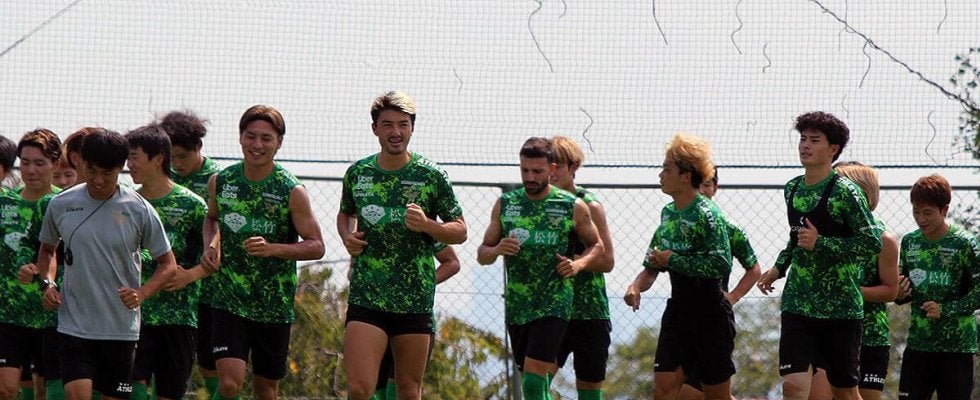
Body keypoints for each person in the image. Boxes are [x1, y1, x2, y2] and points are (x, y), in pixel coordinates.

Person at [338, 91, 467, 400]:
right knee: (359, 389)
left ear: (412, 128)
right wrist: (347, 237)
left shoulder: (432, 175)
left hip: (414, 301)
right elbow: (346, 214)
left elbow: (460, 231)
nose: (395, 132)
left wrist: (428, 225)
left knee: (408, 391)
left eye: (402, 124)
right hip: (368, 296)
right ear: (375, 129)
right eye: (387, 125)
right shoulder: (358, 173)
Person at [33, 128, 178, 400]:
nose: (98, 180)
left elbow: (168, 264)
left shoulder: (139, 208)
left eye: (107, 173)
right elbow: (47, 251)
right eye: (92, 170)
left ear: (121, 168)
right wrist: (47, 284)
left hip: (120, 330)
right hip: (74, 325)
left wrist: (142, 293)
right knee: (77, 394)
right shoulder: (61, 204)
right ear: (81, 163)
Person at [756, 112, 881, 400]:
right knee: (793, 387)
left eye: (814, 140)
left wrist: (821, 243)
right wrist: (779, 268)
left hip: (840, 310)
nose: (805, 145)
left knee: (845, 393)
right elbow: (796, 236)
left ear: (833, 149)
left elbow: (871, 242)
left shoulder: (847, 192)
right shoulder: (793, 188)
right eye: (802, 139)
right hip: (798, 304)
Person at [204, 105, 325, 400]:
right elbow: (212, 219)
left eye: (266, 138)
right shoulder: (222, 181)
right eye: (251, 136)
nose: (257, 145)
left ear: (279, 142)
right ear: (240, 137)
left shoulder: (291, 190)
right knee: (229, 383)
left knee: (266, 390)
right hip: (229, 300)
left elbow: (316, 245)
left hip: (273, 305)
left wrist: (273, 249)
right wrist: (211, 245)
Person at [477, 137, 604, 400]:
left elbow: (597, 246)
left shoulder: (571, 206)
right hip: (519, 306)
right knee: (532, 386)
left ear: (551, 169)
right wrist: (497, 249)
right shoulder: (506, 204)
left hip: (554, 303)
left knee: (534, 382)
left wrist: (578, 264)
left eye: (537, 171)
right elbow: (482, 254)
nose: (530, 177)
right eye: (525, 170)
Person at [622, 133, 734, 400]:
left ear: (686, 176)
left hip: (710, 315)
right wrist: (635, 286)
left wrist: (674, 260)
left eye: (666, 169)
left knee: (716, 395)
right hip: (678, 313)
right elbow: (652, 265)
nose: (660, 175)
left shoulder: (708, 215)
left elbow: (721, 264)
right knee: (662, 389)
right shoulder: (668, 214)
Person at [125, 125, 208, 400]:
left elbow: (216, 256)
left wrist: (191, 275)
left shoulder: (192, 205)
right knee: (129, 388)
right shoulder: (127, 203)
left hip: (178, 319)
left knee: (169, 393)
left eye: (134, 157)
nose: (129, 164)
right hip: (133, 317)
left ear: (158, 158)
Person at [807, 162, 899, 400]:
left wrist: (851, 290)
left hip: (870, 336)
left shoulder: (883, 239)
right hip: (828, 330)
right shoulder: (824, 236)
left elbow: (890, 290)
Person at [675, 166, 762, 400]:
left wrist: (732, 297)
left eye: (707, 184)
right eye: (697, 184)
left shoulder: (728, 228)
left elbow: (754, 269)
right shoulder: (675, 224)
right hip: (681, 316)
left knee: (693, 393)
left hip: (714, 318)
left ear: (715, 188)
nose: (701, 190)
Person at [893, 174, 980, 400]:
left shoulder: (965, 243)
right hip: (918, 345)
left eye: (927, 212)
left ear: (944, 210)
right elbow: (903, 289)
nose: (920, 219)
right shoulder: (910, 241)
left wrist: (945, 309)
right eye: (916, 211)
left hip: (957, 348)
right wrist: (899, 294)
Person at [157, 109, 222, 397]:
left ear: (199, 147)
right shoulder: (161, 178)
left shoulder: (218, 180)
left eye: (183, 156)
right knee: (156, 366)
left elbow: (222, 233)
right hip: (164, 288)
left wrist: (194, 274)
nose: (177, 164)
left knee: (210, 364)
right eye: (171, 157)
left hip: (208, 288)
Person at [547, 136, 615, 400]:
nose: (552, 172)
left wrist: (577, 263)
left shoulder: (589, 204)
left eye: (558, 165)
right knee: (536, 381)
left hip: (589, 311)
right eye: (548, 165)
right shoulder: (539, 204)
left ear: (573, 167)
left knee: (588, 391)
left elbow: (607, 260)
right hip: (551, 310)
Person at [0, 129, 62, 400]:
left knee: (46, 390)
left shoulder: (65, 204)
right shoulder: (5, 202)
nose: (30, 170)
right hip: (9, 312)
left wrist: (42, 273)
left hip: (52, 314)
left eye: (39, 163)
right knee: (6, 388)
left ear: (55, 164)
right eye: (24, 163)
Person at [371, 244, 461, 400]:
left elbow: (452, 262)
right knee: (367, 386)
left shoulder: (423, 229)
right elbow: (353, 270)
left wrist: (421, 283)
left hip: (414, 319)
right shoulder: (371, 230)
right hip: (372, 314)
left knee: (402, 387)